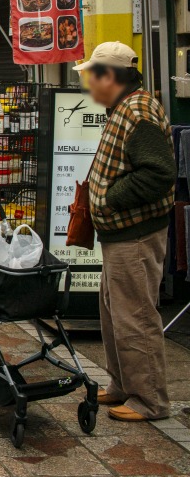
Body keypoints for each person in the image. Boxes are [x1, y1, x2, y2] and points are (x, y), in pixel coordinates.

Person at [74, 42, 176, 422]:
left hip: (135, 235)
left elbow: (158, 172)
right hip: (120, 235)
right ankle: (122, 385)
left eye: (91, 76)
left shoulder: (138, 110)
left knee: (134, 316)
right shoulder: (125, 108)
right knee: (114, 313)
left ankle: (149, 400)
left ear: (109, 76)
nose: (88, 85)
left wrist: (112, 198)